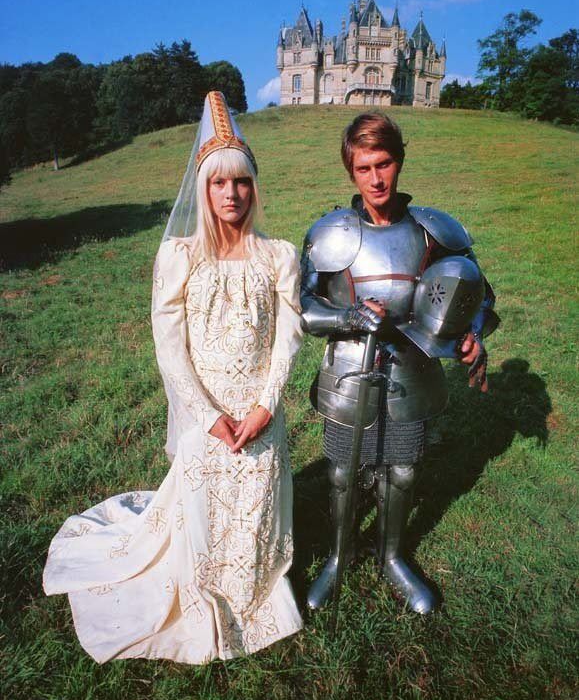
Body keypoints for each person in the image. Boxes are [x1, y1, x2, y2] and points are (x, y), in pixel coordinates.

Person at [43, 92, 303, 663]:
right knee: (205, 521)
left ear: (254, 188)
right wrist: (207, 416)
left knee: (256, 512)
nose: (231, 194)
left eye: (241, 182)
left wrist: (265, 406)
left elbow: (288, 337)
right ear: (203, 189)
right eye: (218, 183)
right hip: (205, 414)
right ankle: (202, 591)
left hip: (260, 413)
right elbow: (169, 348)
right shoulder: (180, 256)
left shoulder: (279, 256)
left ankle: (255, 590)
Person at [301, 113, 498, 615]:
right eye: (364, 168)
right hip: (349, 369)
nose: (376, 179)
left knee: (404, 470)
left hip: (414, 368)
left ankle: (391, 556)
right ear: (351, 171)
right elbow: (304, 307)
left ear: (400, 161)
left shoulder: (434, 231)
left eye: (384, 164)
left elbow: (478, 293)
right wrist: (347, 315)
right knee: (342, 471)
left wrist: (473, 332)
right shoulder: (330, 233)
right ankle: (339, 556)